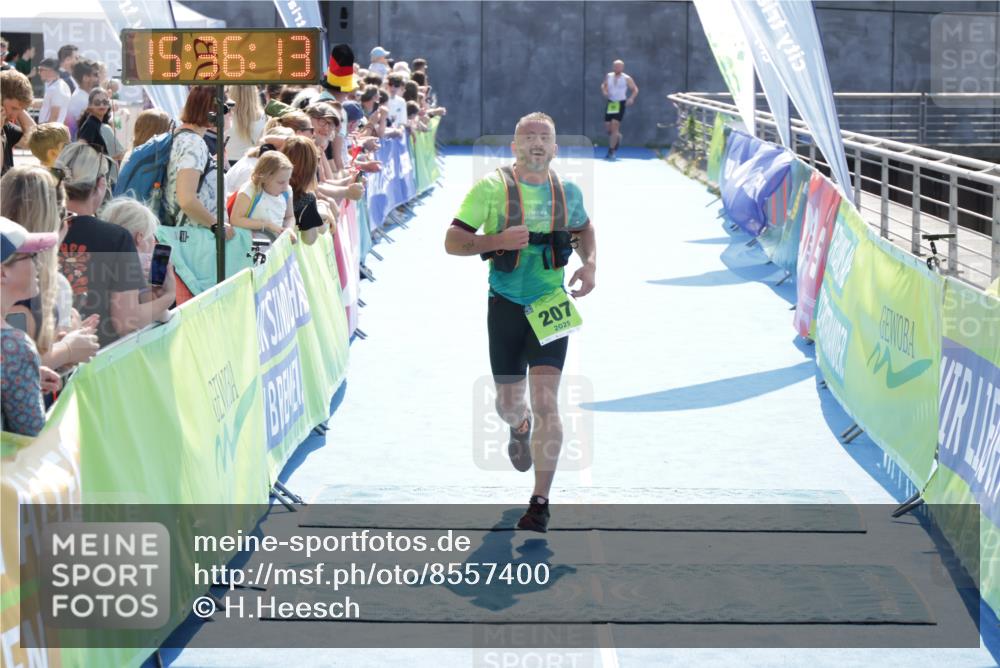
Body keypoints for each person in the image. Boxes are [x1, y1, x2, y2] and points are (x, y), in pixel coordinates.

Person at [444, 112, 597, 532]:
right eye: (528, 137)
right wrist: (496, 240)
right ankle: (519, 425)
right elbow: (452, 241)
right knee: (509, 404)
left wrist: (590, 265)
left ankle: (540, 502)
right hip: (506, 304)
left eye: (544, 137)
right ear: (514, 146)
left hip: (550, 303)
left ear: (555, 148)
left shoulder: (567, 192)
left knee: (548, 402)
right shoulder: (491, 189)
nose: (536, 143)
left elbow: (585, 230)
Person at [55, 142, 175, 347]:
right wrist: (168, 297)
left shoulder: (38, 227)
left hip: (44, 352)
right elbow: (126, 322)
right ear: (101, 184)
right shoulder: (116, 238)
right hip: (97, 352)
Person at [1, 165, 99, 370]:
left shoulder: (23, 278)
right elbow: (13, 362)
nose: (66, 225)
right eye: (65, 216)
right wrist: (67, 349)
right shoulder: (21, 286)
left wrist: (69, 344)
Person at [0, 216, 62, 436]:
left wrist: (24, 376)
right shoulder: (13, 346)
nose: (39, 264)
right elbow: (32, 436)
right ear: (2, 272)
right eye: (31, 256)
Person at [229, 151, 296, 241]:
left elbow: (289, 216)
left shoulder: (287, 191)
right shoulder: (250, 190)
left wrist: (289, 229)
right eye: (281, 182)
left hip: (275, 244)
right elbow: (235, 219)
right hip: (251, 245)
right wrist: (266, 225)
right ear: (264, 178)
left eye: (288, 180)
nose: (286, 186)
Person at [282, 136, 333, 245]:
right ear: (311, 166)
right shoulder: (306, 199)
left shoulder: (272, 184)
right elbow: (310, 239)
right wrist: (323, 209)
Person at [600, 59, 638, 160]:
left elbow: (635, 89)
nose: (617, 68)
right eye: (616, 66)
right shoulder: (609, 76)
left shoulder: (626, 78)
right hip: (611, 103)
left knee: (615, 125)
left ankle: (611, 151)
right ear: (613, 67)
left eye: (619, 67)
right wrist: (604, 91)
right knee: (608, 128)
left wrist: (631, 98)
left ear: (622, 68)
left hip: (620, 103)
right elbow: (603, 85)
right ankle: (617, 136)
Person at [77, 87, 124, 165]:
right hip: (95, 171)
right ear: (90, 105)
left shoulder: (99, 123)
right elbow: (80, 149)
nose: (101, 105)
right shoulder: (91, 124)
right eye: (97, 103)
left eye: (105, 102)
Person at [1, 69, 36, 175]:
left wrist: (20, 109)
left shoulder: (6, 128)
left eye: (20, 110)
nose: (14, 116)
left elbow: (34, 140)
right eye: (14, 108)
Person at [226, 85, 266, 167]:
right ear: (254, 94)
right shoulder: (266, 118)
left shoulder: (225, 117)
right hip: (254, 165)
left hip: (226, 165)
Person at [66, 58, 100, 138]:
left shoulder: (83, 96)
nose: (99, 78)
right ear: (85, 78)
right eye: (95, 75)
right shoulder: (82, 100)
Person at [36, 58, 71, 125]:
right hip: (53, 127)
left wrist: (46, 130)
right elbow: (48, 103)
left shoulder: (57, 88)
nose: (39, 73)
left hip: (50, 128)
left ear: (50, 71)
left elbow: (54, 117)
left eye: (41, 70)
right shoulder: (58, 85)